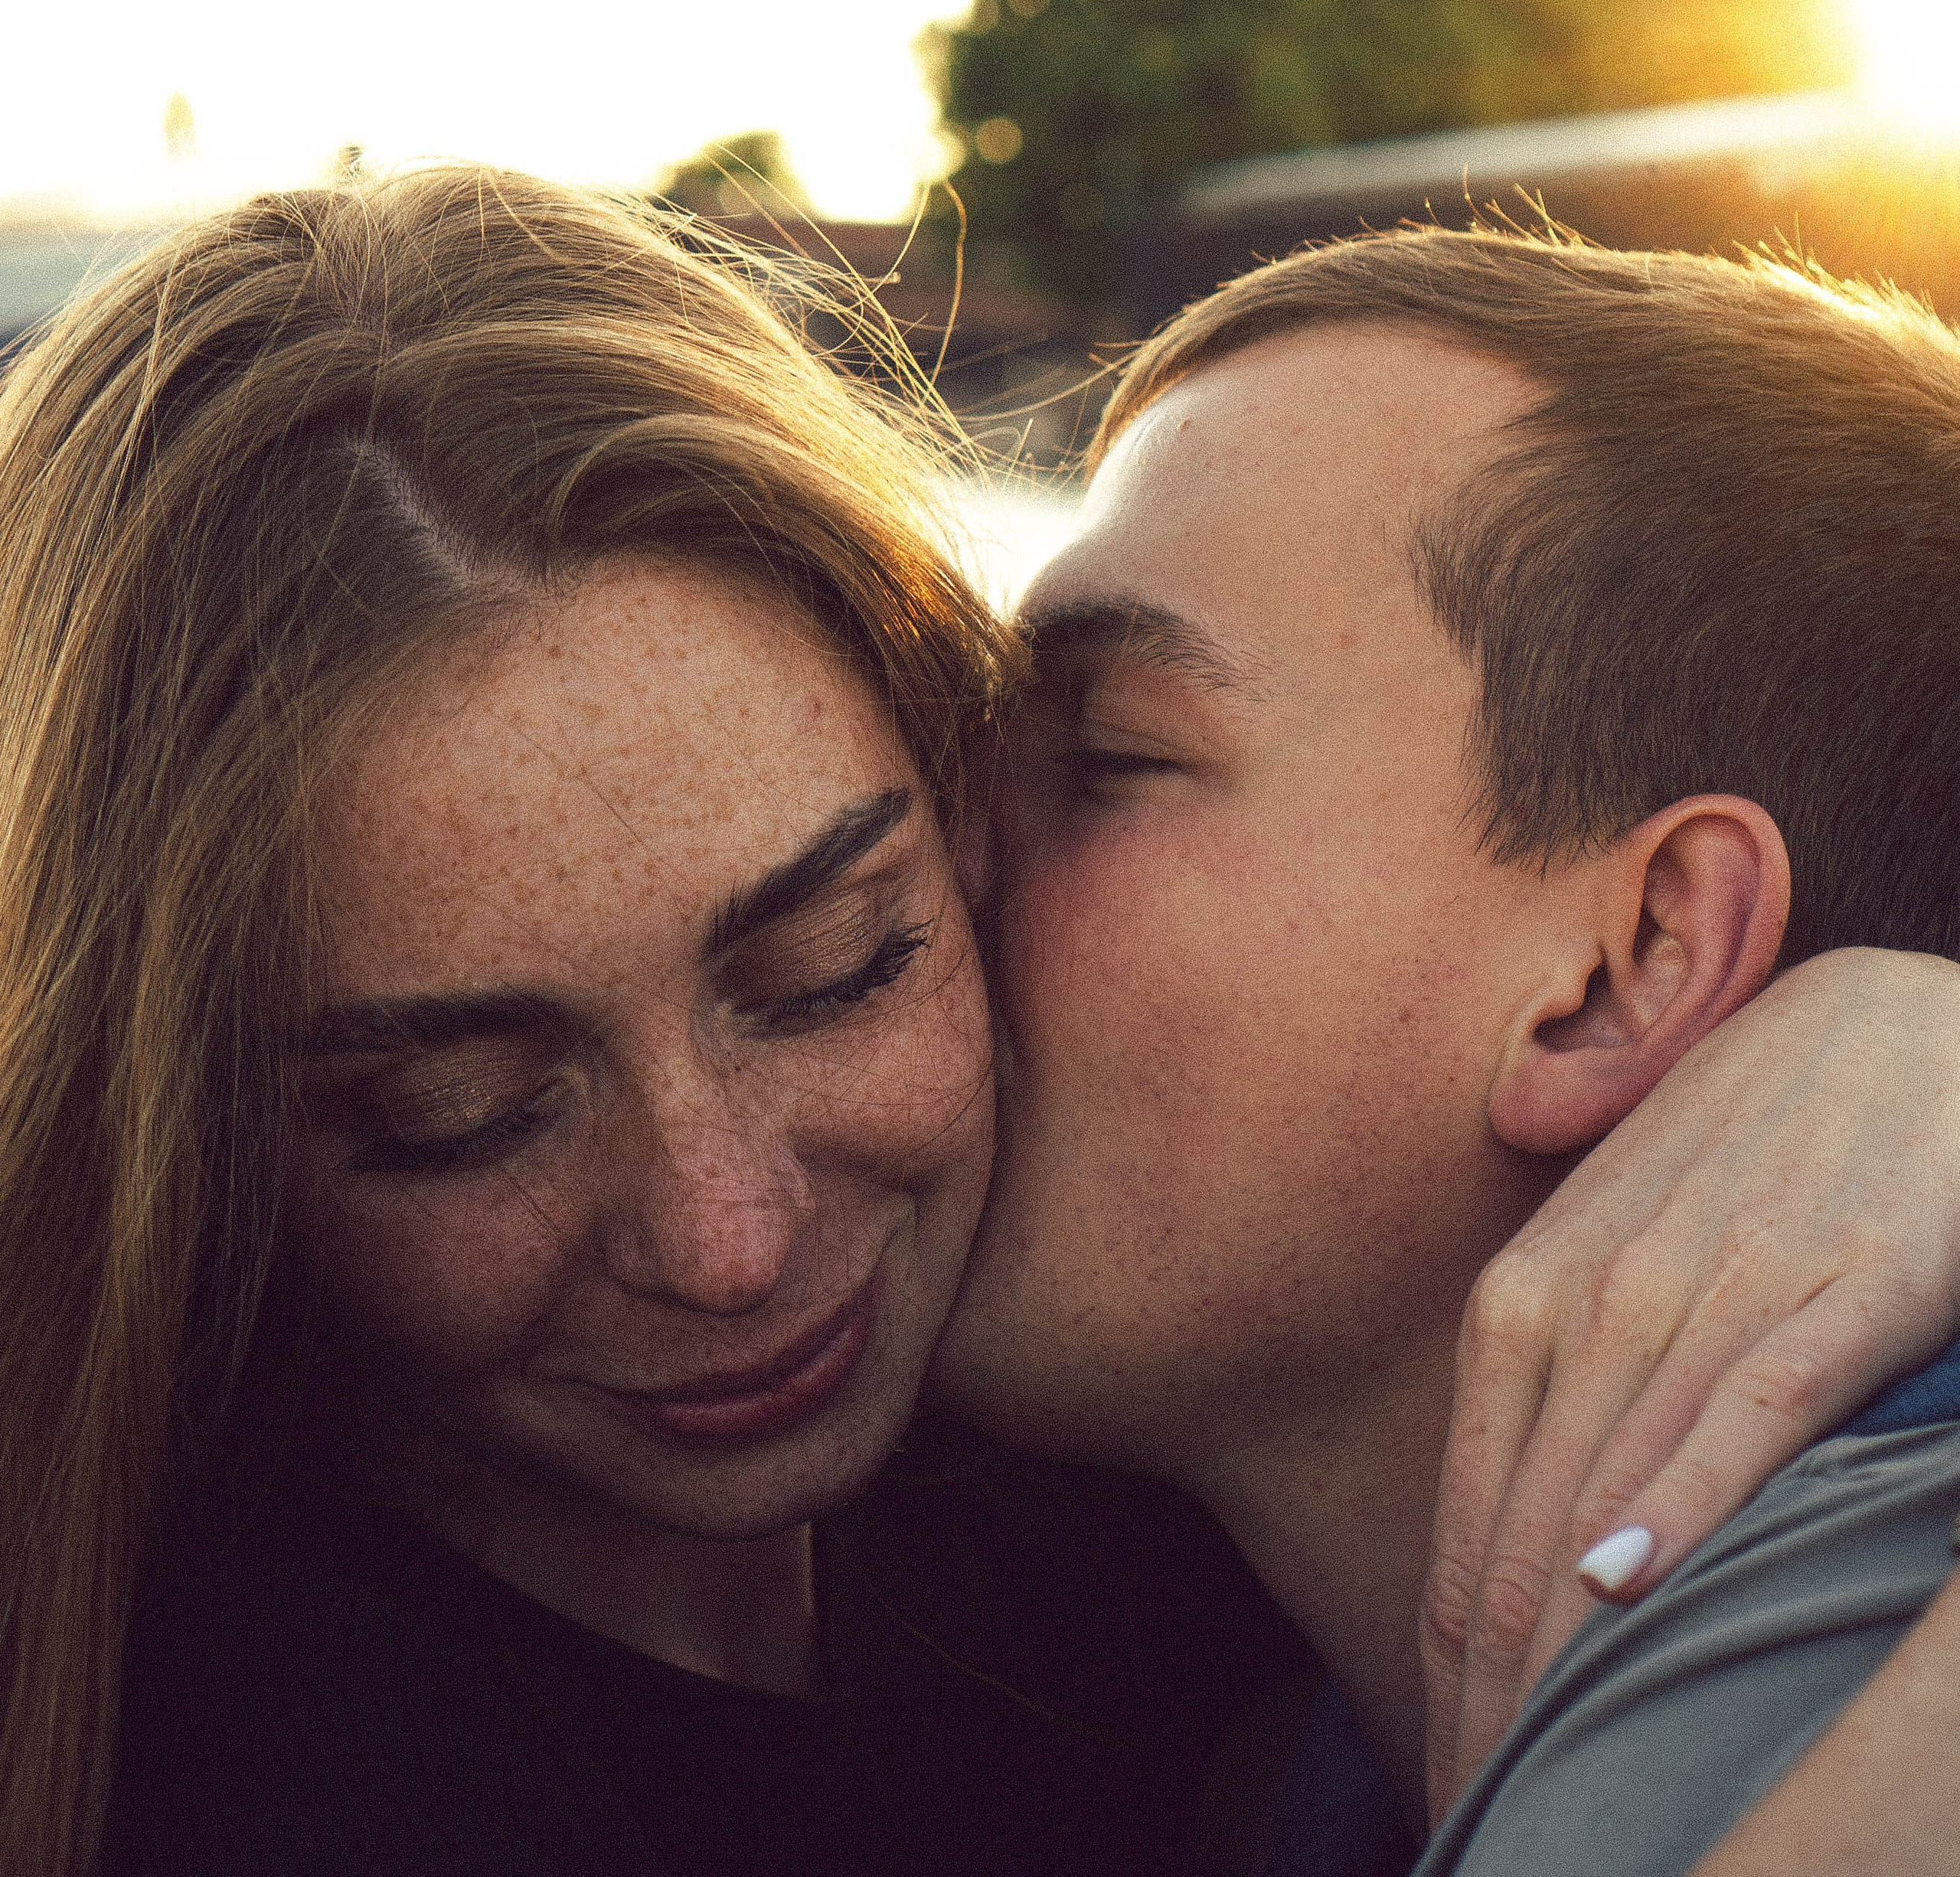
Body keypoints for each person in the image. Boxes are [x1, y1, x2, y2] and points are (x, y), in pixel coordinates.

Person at [2, 170, 1955, 1877]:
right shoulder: (261, 1758)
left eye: (843, 961)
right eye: (456, 1111)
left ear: (1631, 958)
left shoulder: (1160, 1541)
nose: (733, 1245)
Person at [934, 224, 1960, 1876]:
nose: (914, 864)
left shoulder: (1832, 1678)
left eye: (1109, 754)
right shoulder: (1268, 1757)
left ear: (1623, 968)